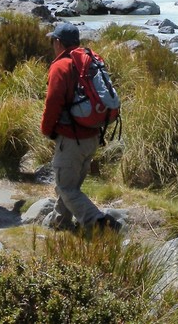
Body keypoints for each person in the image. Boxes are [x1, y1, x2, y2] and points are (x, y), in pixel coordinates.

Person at [40, 22, 121, 233]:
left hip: (70, 138)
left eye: (53, 41)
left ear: (58, 42)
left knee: (65, 187)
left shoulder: (61, 66)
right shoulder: (91, 60)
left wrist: (47, 130)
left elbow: (53, 102)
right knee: (71, 186)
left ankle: (99, 223)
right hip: (93, 134)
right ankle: (60, 223)